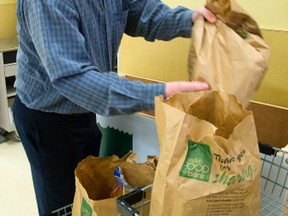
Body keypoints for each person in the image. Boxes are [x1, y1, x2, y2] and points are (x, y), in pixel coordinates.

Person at [13, 0, 216, 215]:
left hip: (85, 110)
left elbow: (144, 12)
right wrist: (156, 95)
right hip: (47, 119)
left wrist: (191, 20)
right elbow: (73, 77)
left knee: (88, 196)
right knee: (61, 207)